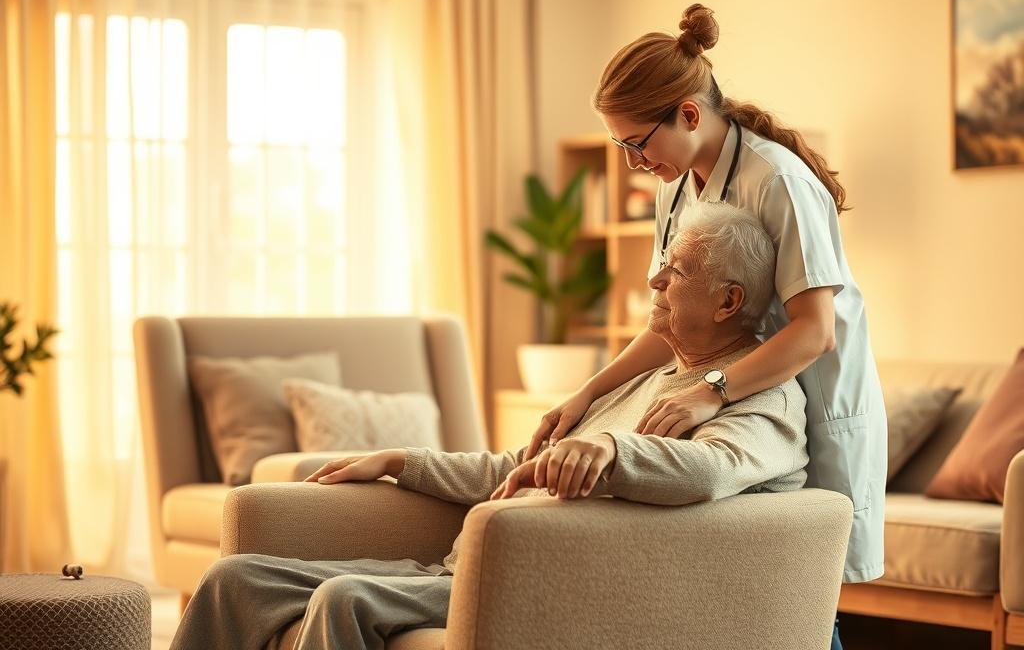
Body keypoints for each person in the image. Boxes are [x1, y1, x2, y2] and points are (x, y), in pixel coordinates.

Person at [168, 201, 812, 650]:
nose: (654, 278)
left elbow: (713, 469)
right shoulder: (649, 376)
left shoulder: (763, 400)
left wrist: (612, 449)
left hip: (538, 578)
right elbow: (516, 466)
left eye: (679, 272)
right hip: (460, 565)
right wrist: (400, 460)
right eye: (662, 263)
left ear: (729, 300)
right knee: (235, 578)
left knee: (344, 598)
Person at [523, 3, 886, 650]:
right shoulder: (675, 189)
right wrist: (587, 394)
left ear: (689, 114)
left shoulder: (777, 181)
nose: (634, 162)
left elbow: (813, 333)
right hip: (729, 397)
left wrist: (708, 390)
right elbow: (666, 321)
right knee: (730, 589)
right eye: (621, 147)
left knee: (799, 595)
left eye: (638, 143)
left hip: (803, 403)